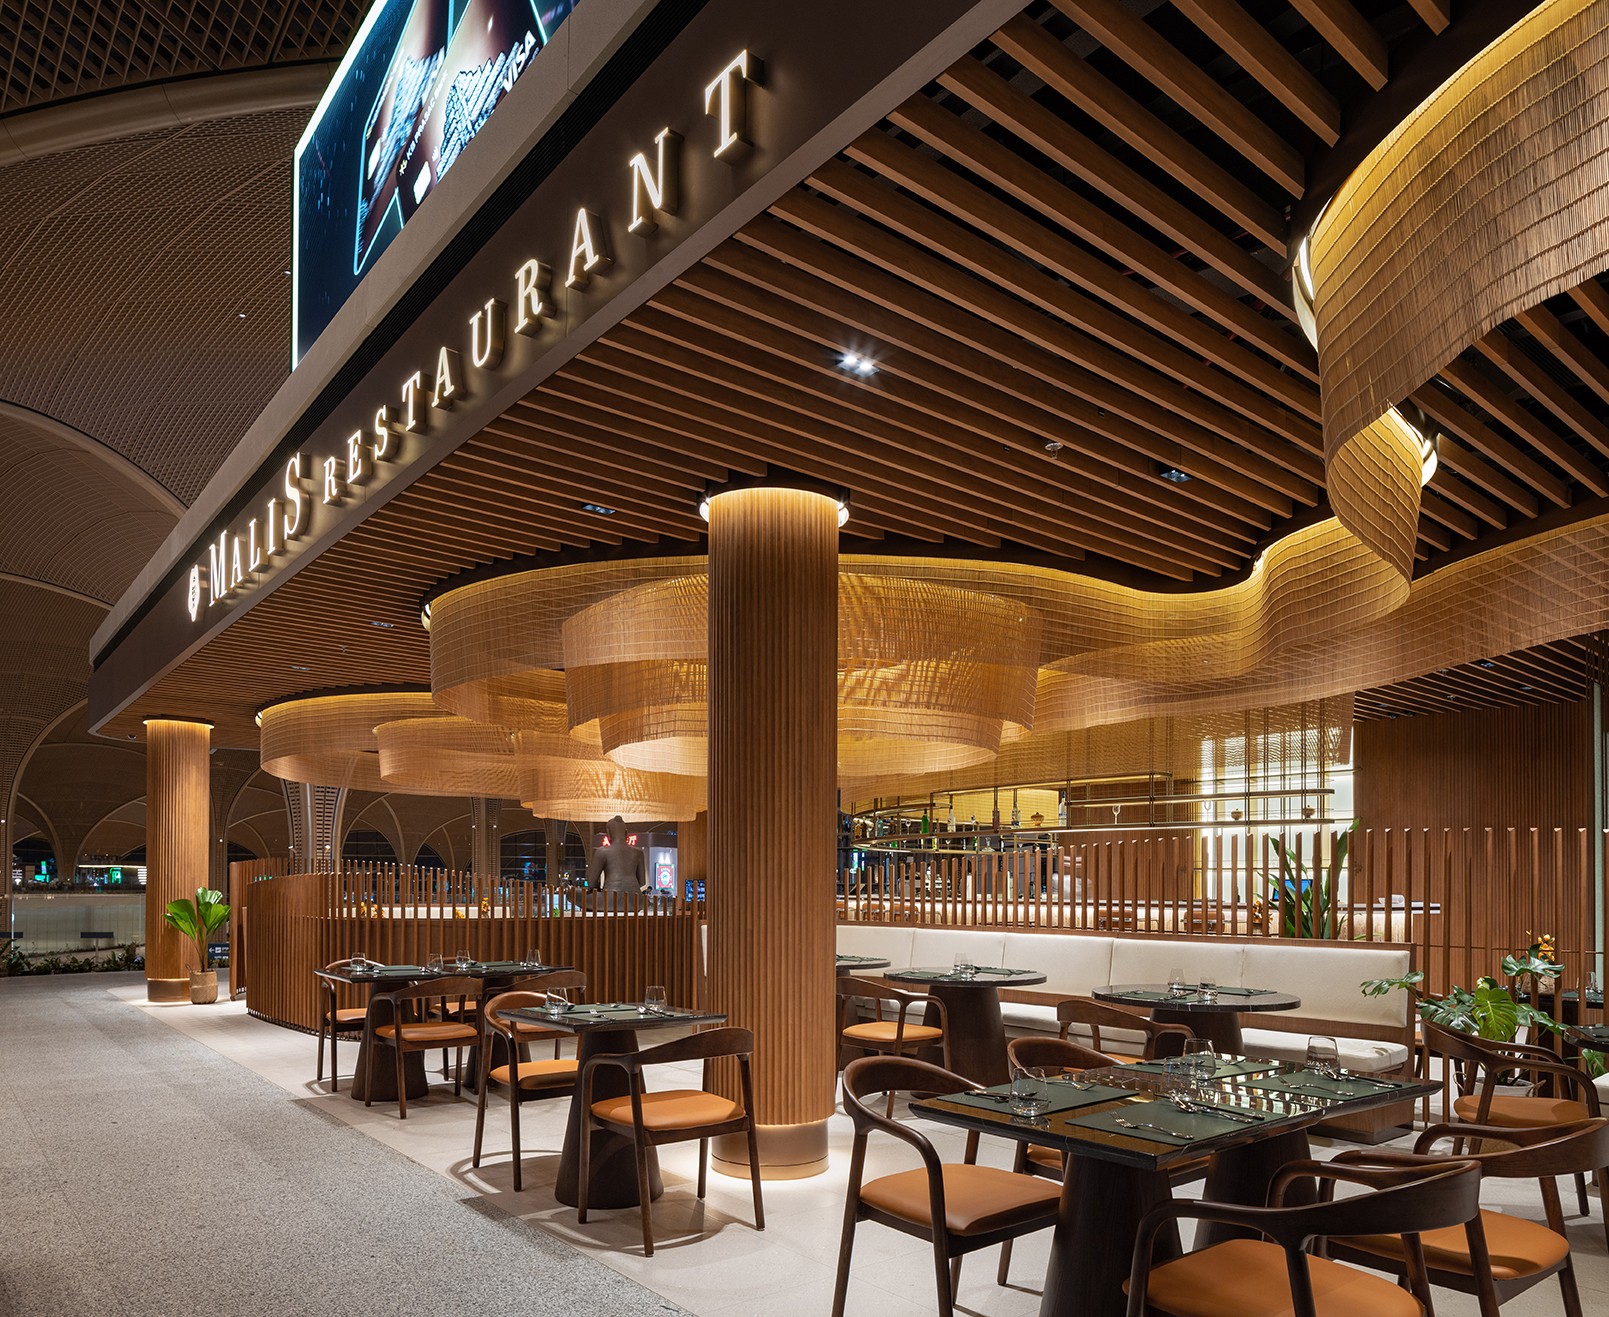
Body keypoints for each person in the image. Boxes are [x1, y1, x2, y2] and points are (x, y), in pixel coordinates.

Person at [586, 816, 649, 895]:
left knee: (572, 894)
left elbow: (591, 882)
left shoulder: (602, 852)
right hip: (635, 897)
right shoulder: (638, 853)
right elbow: (642, 882)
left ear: (608, 833)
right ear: (626, 833)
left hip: (610, 897)